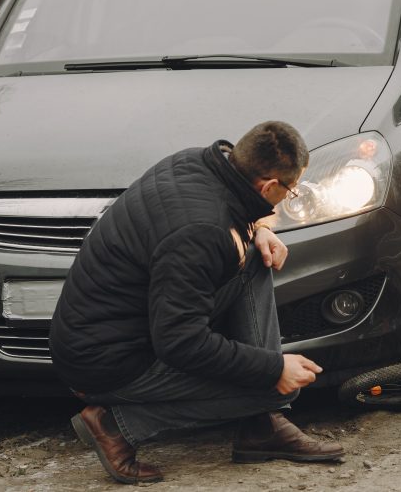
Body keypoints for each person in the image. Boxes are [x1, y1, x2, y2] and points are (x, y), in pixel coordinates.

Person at [49, 121, 344, 484]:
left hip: (115, 327)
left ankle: (262, 427)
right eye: (291, 190)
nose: (290, 196)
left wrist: (261, 229)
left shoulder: (197, 163)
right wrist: (272, 369)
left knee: (255, 258)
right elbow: (180, 342)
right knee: (276, 385)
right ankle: (114, 425)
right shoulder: (202, 231)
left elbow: (236, 221)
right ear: (268, 186)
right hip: (107, 362)